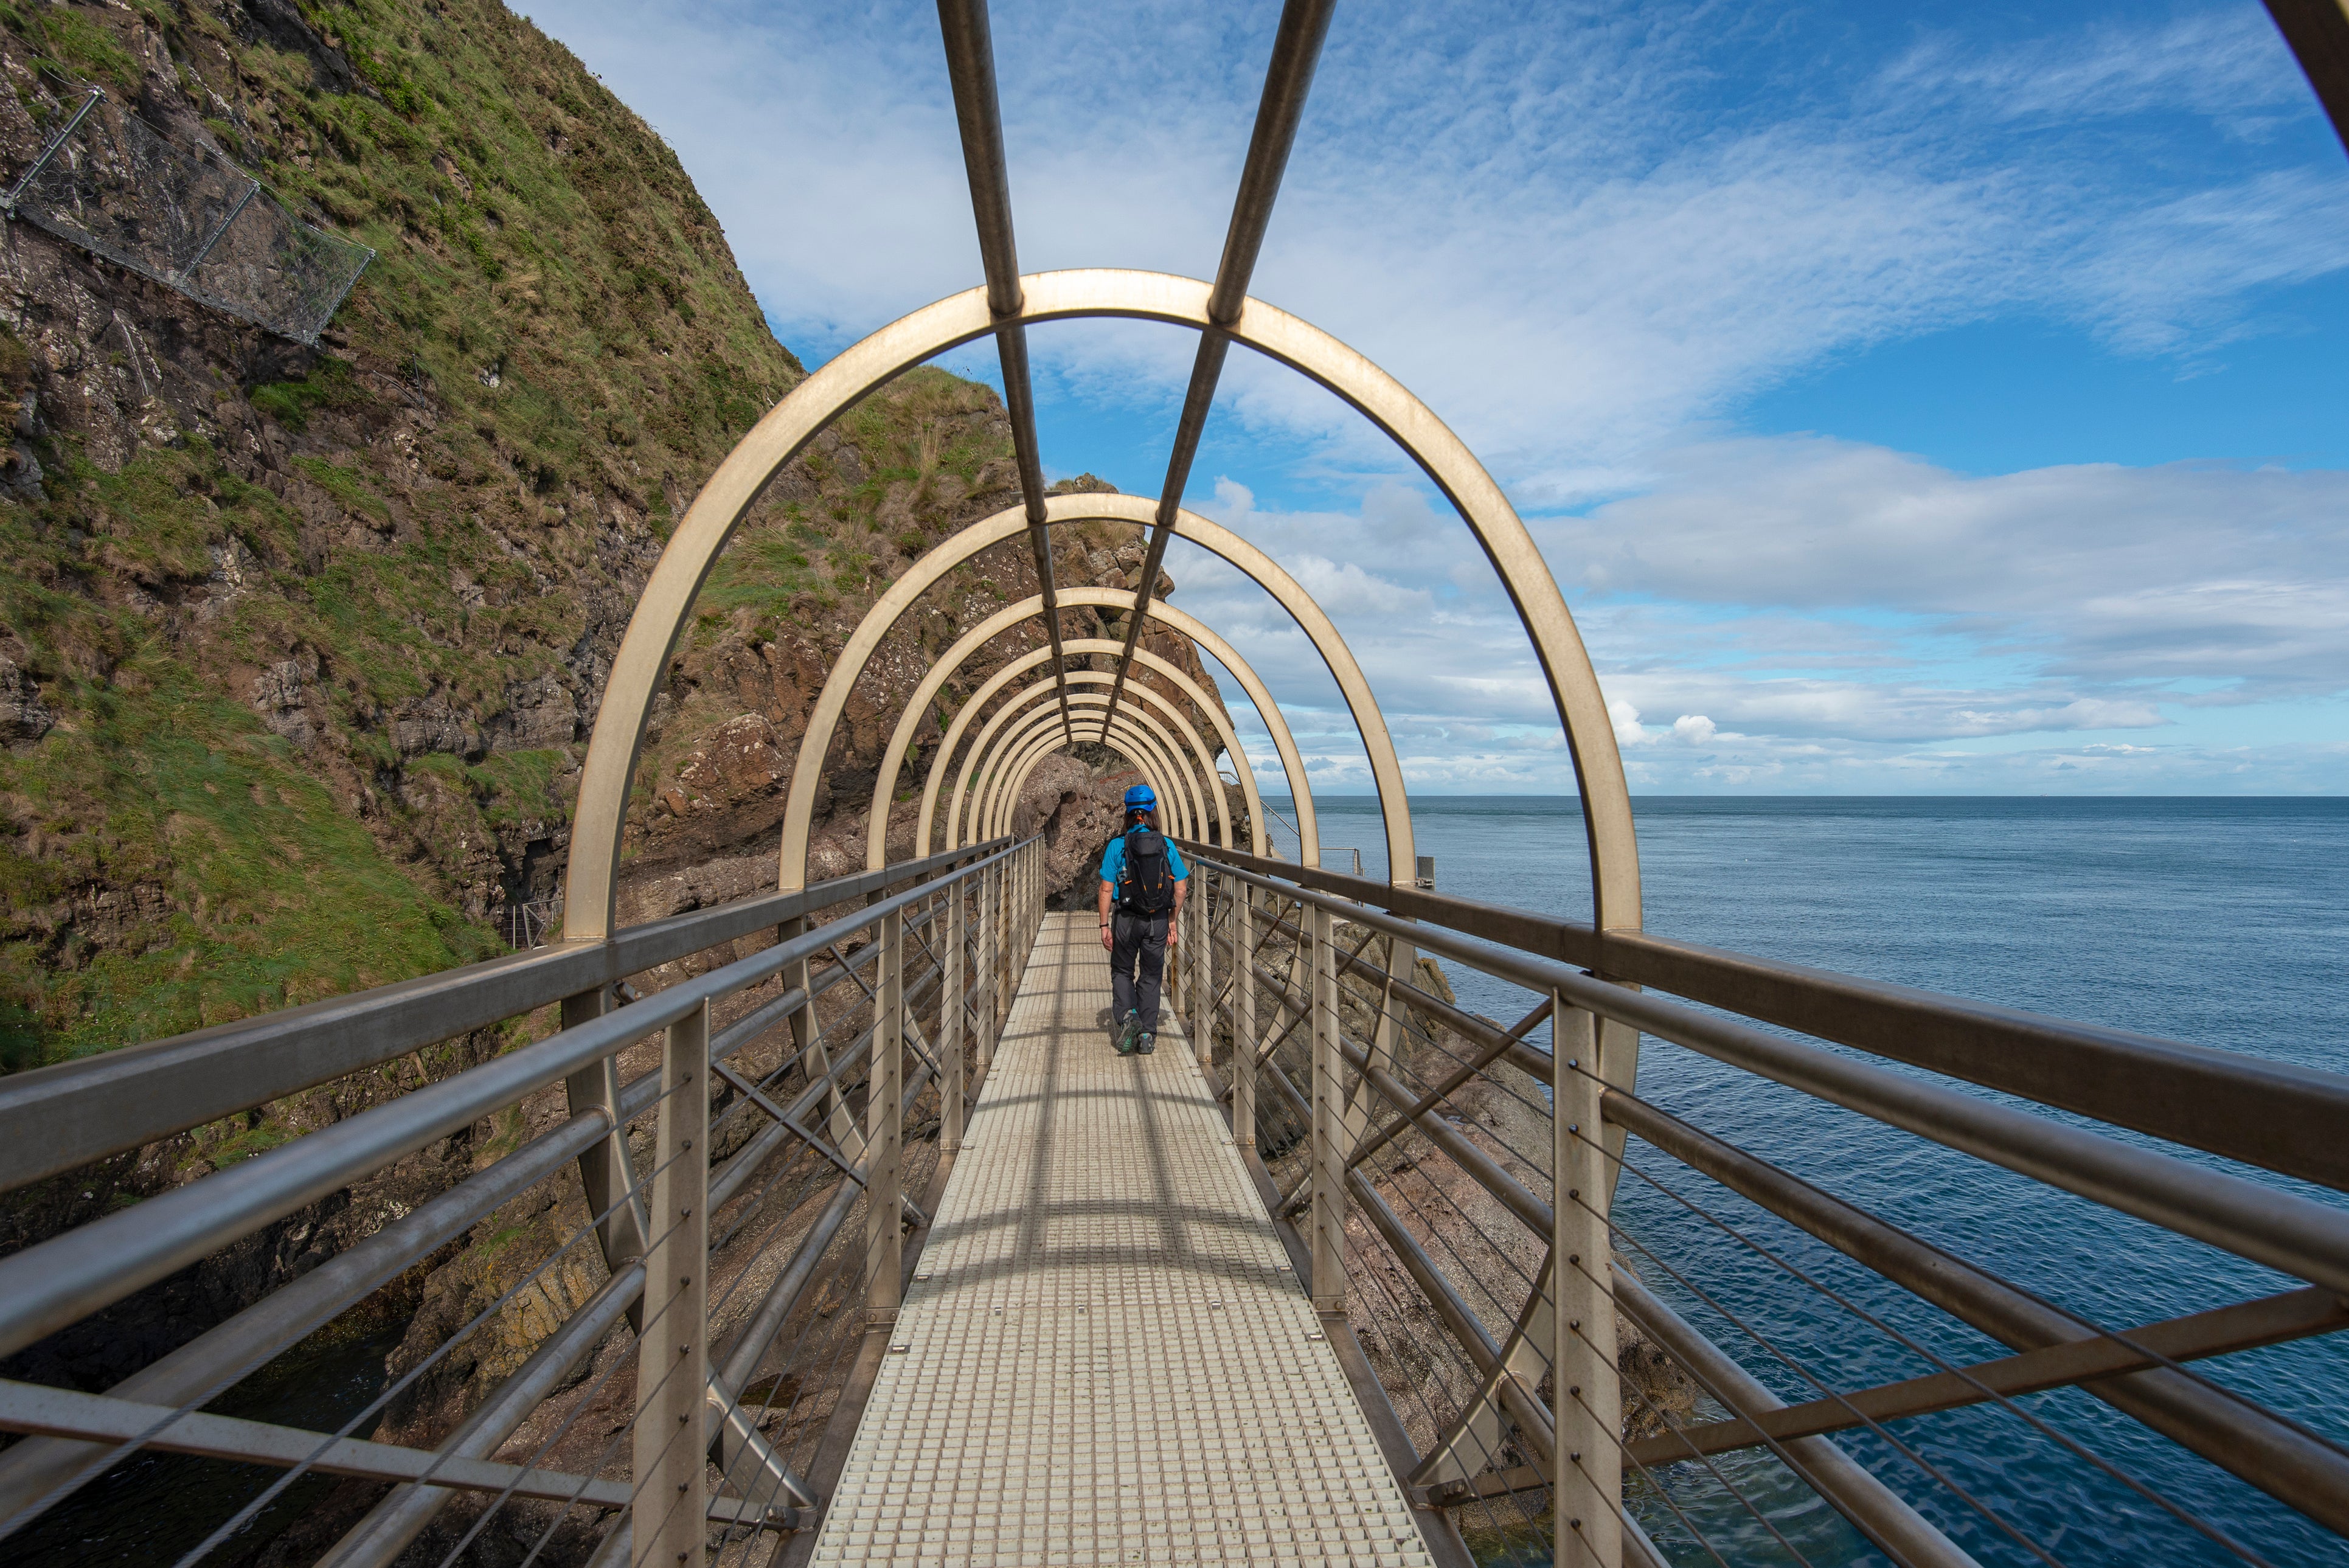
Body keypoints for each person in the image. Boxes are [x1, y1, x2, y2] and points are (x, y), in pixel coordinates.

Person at [1097, 783, 1188, 1055]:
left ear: (1127, 814)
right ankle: (1147, 1035)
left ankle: (1127, 1017)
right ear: (1152, 813)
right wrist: (1172, 919)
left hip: (1125, 919)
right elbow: (1181, 888)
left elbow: (1106, 889)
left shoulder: (1116, 846)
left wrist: (1104, 924)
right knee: (1150, 975)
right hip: (1157, 921)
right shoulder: (1166, 845)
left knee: (1123, 970)